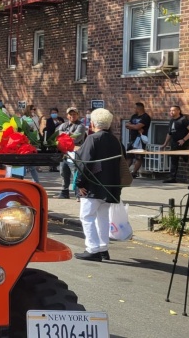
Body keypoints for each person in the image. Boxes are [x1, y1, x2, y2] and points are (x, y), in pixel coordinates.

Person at [72, 108, 121, 262]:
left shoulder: (92, 139)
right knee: (103, 218)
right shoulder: (115, 140)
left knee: (87, 217)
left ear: (92, 123)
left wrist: (80, 183)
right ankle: (103, 248)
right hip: (110, 185)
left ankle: (92, 249)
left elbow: (84, 163)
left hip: (93, 185)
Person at [55, 107, 88, 199]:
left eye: (74, 114)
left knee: (75, 172)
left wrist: (64, 134)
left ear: (78, 115)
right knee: (63, 171)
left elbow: (76, 138)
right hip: (64, 152)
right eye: (70, 114)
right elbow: (56, 134)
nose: (72, 116)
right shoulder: (63, 124)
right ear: (67, 116)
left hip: (75, 152)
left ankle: (78, 193)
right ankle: (64, 192)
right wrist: (69, 134)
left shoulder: (81, 126)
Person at [161, 105, 189, 183]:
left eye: (173, 110)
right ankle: (172, 178)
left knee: (180, 157)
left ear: (178, 111)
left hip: (181, 142)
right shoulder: (171, 121)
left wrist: (184, 140)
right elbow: (169, 133)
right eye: (170, 110)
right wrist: (165, 144)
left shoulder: (183, 120)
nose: (171, 112)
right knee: (173, 159)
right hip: (173, 142)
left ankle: (185, 157)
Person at [125, 102, 152, 178]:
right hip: (132, 139)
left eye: (134, 108)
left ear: (139, 108)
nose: (133, 109)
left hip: (140, 140)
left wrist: (133, 126)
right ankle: (126, 172)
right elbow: (127, 125)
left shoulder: (145, 117)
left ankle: (134, 173)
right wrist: (134, 126)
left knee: (138, 157)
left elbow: (137, 127)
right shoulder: (134, 116)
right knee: (129, 156)